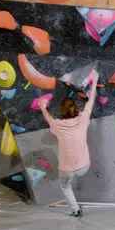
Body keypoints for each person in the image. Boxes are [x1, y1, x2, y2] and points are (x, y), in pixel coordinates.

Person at [39, 71, 99, 218]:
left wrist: (42, 107)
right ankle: (75, 208)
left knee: (65, 186)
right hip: (84, 166)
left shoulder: (57, 124)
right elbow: (90, 102)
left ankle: (75, 210)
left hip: (67, 169)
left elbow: (49, 118)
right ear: (75, 108)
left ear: (61, 111)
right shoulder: (83, 119)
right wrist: (95, 82)